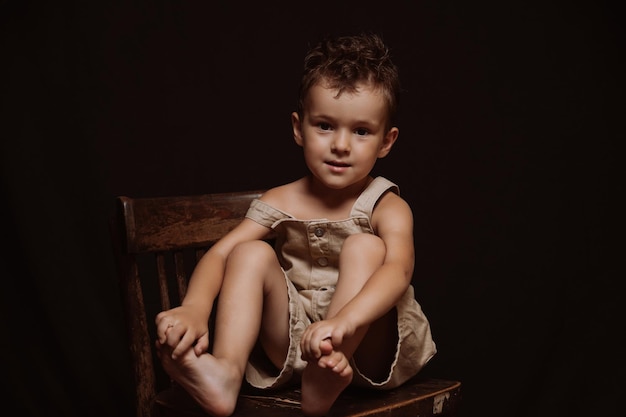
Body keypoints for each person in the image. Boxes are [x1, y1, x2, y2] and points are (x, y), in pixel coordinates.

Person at [155, 32, 436, 417]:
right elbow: (220, 254)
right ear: (298, 128)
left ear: (386, 142)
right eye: (324, 125)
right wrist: (195, 309)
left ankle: (326, 373)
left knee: (365, 246)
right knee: (248, 251)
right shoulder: (280, 200)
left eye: (361, 131)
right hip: (294, 346)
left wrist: (342, 323)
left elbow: (398, 269)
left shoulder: (387, 205)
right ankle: (225, 374)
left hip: (366, 349)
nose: (340, 145)